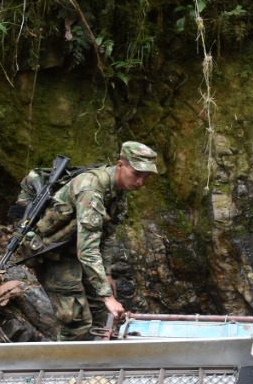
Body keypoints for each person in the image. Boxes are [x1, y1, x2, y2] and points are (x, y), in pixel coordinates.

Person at [28, 141, 159, 340]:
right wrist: (108, 296)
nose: (140, 182)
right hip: (53, 253)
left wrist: (106, 275)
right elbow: (88, 249)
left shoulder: (118, 190)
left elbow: (107, 236)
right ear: (120, 165)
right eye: (136, 174)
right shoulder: (91, 191)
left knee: (100, 313)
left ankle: (98, 365)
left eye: (146, 177)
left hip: (77, 250)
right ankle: (69, 368)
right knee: (76, 320)